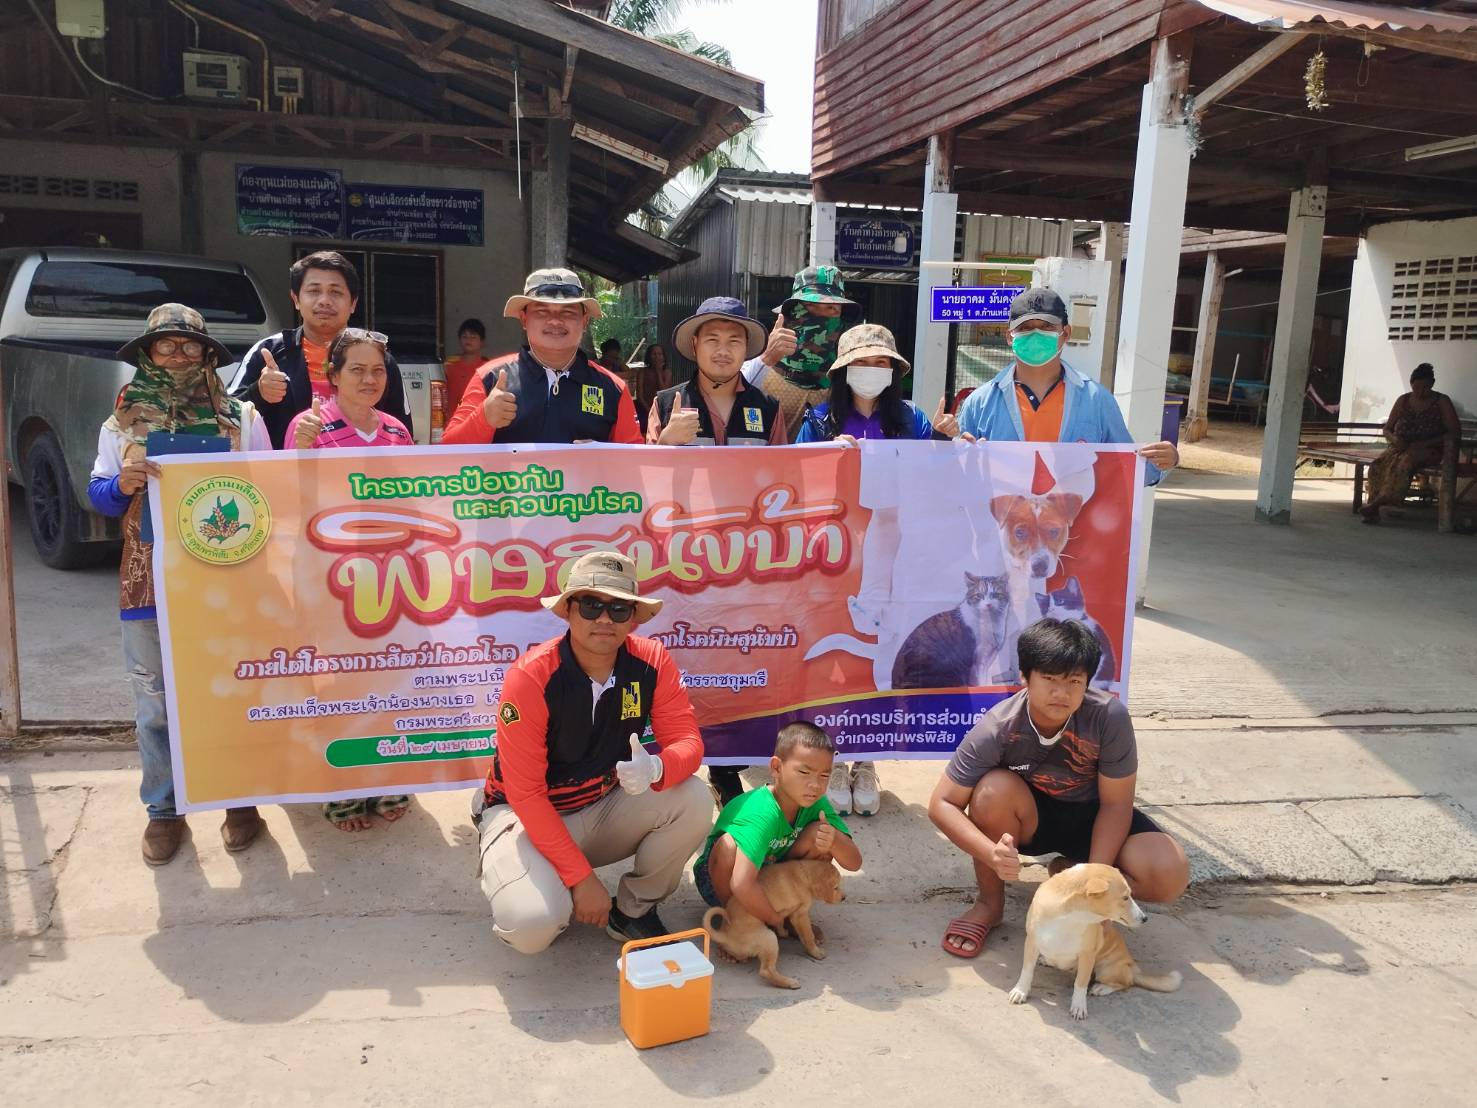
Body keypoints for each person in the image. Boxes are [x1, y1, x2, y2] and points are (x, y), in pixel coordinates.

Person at [87, 304, 271, 865]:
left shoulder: (241, 418)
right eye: (166, 346)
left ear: (209, 355)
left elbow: (273, 488)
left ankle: (239, 801)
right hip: (147, 582)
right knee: (156, 704)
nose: (179, 356)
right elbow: (98, 495)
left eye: (191, 346)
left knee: (232, 694)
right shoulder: (122, 421)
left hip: (226, 580)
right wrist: (121, 484)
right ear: (147, 354)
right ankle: (163, 811)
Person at [476, 551, 711, 952]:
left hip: (600, 804)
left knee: (694, 798)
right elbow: (526, 794)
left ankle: (633, 912)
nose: (604, 619)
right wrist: (582, 880)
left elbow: (689, 743)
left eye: (619, 608)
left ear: (633, 618)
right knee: (532, 927)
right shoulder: (531, 677)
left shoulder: (652, 661)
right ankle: (519, 866)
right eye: (591, 605)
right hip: (524, 815)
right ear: (568, 610)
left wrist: (657, 767)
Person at [927, 619, 1189, 958]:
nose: (1061, 693)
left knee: (1169, 875)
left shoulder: (1109, 717)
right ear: (1025, 677)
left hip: (1094, 816)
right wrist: (991, 853)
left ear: (1087, 683)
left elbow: (1116, 804)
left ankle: (1072, 875)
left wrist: (1096, 890)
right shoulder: (999, 726)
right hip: (1030, 820)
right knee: (991, 791)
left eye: (1074, 681)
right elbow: (942, 803)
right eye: (1049, 679)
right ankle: (989, 904)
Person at [795, 323, 961, 817]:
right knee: (835, 665)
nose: (872, 370)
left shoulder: (911, 420)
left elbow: (940, 478)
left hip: (899, 562)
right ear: (843, 370)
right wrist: (827, 457)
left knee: (881, 656)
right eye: (862, 363)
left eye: (882, 363)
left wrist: (949, 442)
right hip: (836, 559)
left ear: (894, 371)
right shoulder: (819, 420)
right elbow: (795, 480)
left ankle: (865, 758)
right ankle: (830, 760)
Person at [647, 297, 786, 806]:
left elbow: (787, 481)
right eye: (712, 340)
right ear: (694, 347)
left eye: (733, 341)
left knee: (741, 658)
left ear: (746, 349)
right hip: (686, 560)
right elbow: (638, 482)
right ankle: (690, 758)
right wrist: (664, 445)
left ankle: (730, 762)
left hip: (750, 561)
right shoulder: (667, 404)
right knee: (691, 662)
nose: (723, 350)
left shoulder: (767, 408)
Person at [284, 329, 414, 830]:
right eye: (356, 370)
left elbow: (411, 500)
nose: (369, 379)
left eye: (377, 370)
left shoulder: (396, 431)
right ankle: (342, 787)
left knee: (387, 676)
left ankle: (387, 779)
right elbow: (289, 497)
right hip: (327, 574)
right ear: (333, 376)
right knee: (337, 680)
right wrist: (299, 453)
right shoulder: (309, 426)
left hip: (387, 575)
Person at [954, 287, 1178, 482]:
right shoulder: (979, 404)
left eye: (1046, 327)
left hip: (1074, 518)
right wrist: (949, 445)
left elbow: (1128, 469)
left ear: (1066, 333)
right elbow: (955, 475)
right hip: (1003, 519)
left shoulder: (1096, 401)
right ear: (1010, 336)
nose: (1035, 334)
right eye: (1025, 328)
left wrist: (1165, 461)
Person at [231, 250, 412, 449]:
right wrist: (258, 392)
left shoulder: (381, 361)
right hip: (285, 467)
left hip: (364, 470)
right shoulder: (268, 351)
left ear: (353, 303)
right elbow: (225, 416)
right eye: (314, 291)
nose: (325, 300)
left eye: (335, 292)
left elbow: (401, 433)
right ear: (296, 299)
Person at [442, 268, 642, 445]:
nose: (555, 321)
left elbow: (635, 462)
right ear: (524, 319)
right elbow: (449, 452)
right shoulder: (490, 378)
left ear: (584, 321)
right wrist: (484, 418)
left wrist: (602, 455)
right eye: (542, 311)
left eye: (568, 312)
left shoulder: (613, 388)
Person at [692, 722, 862, 929]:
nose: (815, 784)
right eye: (804, 772)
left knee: (822, 837)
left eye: (824, 775)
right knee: (727, 846)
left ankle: (788, 912)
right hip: (721, 880)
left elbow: (854, 863)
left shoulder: (816, 803)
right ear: (776, 768)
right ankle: (737, 920)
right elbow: (740, 883)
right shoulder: (760, 812)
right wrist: (775, 921)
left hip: (770, 873)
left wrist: (834, 840)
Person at [741, 266, 862, 441]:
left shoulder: (846, 376)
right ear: (792, 313)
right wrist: (766, 359)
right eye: (811, 306)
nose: (821, 316)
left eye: (831, 309)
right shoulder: (758, 368)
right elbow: (728, 402)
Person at [1360, 363, 1461, 524]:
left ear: (1432, 384)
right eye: (1417, 387)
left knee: (1404, 464)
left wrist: (1425, 443)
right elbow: (1387, 429)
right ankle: (1373, 510)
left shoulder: (1442, 401)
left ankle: (1378, 503)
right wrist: (1395, 440)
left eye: (1425, 387)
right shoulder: (1403, 400)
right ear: (1411, 384)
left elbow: (1454, 432)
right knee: (1376, 466)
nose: (1420, 392)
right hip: (1400, 447)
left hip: (1429, 450)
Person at [443, 317, 490, 406]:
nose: (468, 340)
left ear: (482, 342)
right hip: (453, 414)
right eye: (464, 336)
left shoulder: (488, 369)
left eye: (473, 337)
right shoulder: (448, 366)